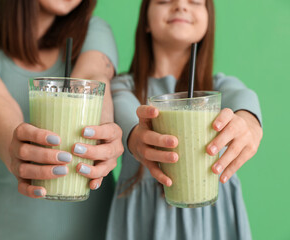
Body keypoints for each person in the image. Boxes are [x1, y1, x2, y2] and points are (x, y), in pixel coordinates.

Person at [0, 0, 123, 239]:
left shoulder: (93, 31)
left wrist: (103, 130)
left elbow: (93, 77)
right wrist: (17, 147)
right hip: (13, 228)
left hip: (97, 228)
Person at [107, 0, 263, 239]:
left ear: (207, 21)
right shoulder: (123, 87)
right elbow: (123, 109)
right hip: (144, 221)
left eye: (195, 2)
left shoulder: (217, 88)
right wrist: (135, 135)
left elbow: (243, 96)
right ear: (145, 22)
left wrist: (249, 120)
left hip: (214, 218)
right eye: (164, 0)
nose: (181, 5)